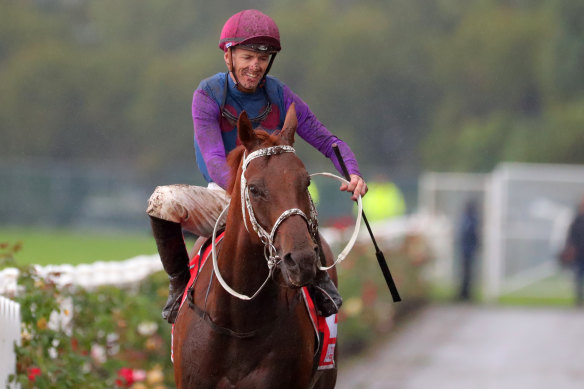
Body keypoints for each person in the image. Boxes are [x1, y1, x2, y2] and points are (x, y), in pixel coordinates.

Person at [146, 9, 368, 323]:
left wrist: (354, 173)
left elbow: (328, 141)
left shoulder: (280, 95)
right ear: (228, 56)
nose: (255, 66)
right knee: (162, 202)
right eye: (248, 56)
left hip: (271, 197)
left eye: (263, 59)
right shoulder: (208, 95)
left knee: (296, 201)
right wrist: (244, 193)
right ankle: (179, 283)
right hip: (225, 194)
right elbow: (212, 159)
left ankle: (318, 280)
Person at [562, 196, 584, 306]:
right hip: (580, 254)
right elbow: (570, 237)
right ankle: (579, 300)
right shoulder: (577, 220)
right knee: (578, 278)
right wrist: (569, 249)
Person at [457, 200, 480, 301]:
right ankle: (464, 293)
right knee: (466, 273)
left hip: (468, 250)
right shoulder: (469, 218)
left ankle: (466, 293)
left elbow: (471, 233)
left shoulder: (471, 219)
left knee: (468, 273)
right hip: (466, 249)